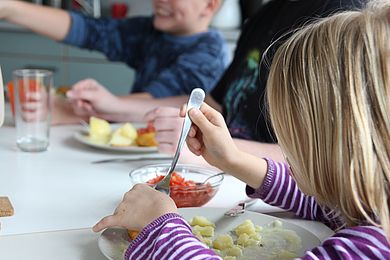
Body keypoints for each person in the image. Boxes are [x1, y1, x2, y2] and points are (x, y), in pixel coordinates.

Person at [92, 2, 390, 259]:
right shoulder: (371, 207)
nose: (286, 151)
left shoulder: (373, 245)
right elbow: (326, 204)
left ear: (347, 143)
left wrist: (160, 227)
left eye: (291, 140)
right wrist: (232, 159)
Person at [145, 0, 365, 163]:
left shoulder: (346, 17)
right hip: (229, 182)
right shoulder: (265, 14)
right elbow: (213, 104)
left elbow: (331, 157)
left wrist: (212, 149)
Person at [0, 0, 229, 123]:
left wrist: (68, 110)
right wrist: (10, 8)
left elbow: (158, 102)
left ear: (210, 5)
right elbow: (88, 31)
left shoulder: (209, 51)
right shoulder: (150, 31)